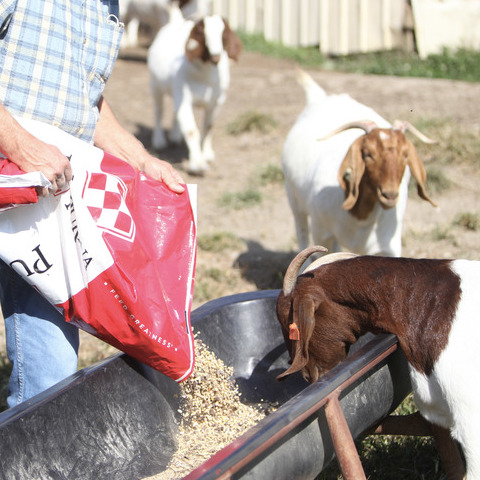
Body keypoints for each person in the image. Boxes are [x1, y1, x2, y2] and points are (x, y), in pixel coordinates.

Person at [0, 0, 185, 408]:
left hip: (40, 193)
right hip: (15, 167)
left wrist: (141, 160)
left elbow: (84, 99)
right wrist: (23, 145)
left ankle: (38, 453)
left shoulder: (107, 6)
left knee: (51, 361)